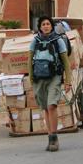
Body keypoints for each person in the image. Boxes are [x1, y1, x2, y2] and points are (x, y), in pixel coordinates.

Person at [29, 16, 71, 152]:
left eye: (48, 24)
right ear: (40, 27)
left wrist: (68, 81)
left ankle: (54, 137)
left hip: (54, 77)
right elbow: (29, 60)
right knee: (45, 108)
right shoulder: (35, 41)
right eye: (43, 24)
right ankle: (49, 136)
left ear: (51, 26)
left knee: (51, 105)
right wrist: (31, 78)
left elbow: (66, 62)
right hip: (39, 78)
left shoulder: (58, 40)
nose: (46, 26)